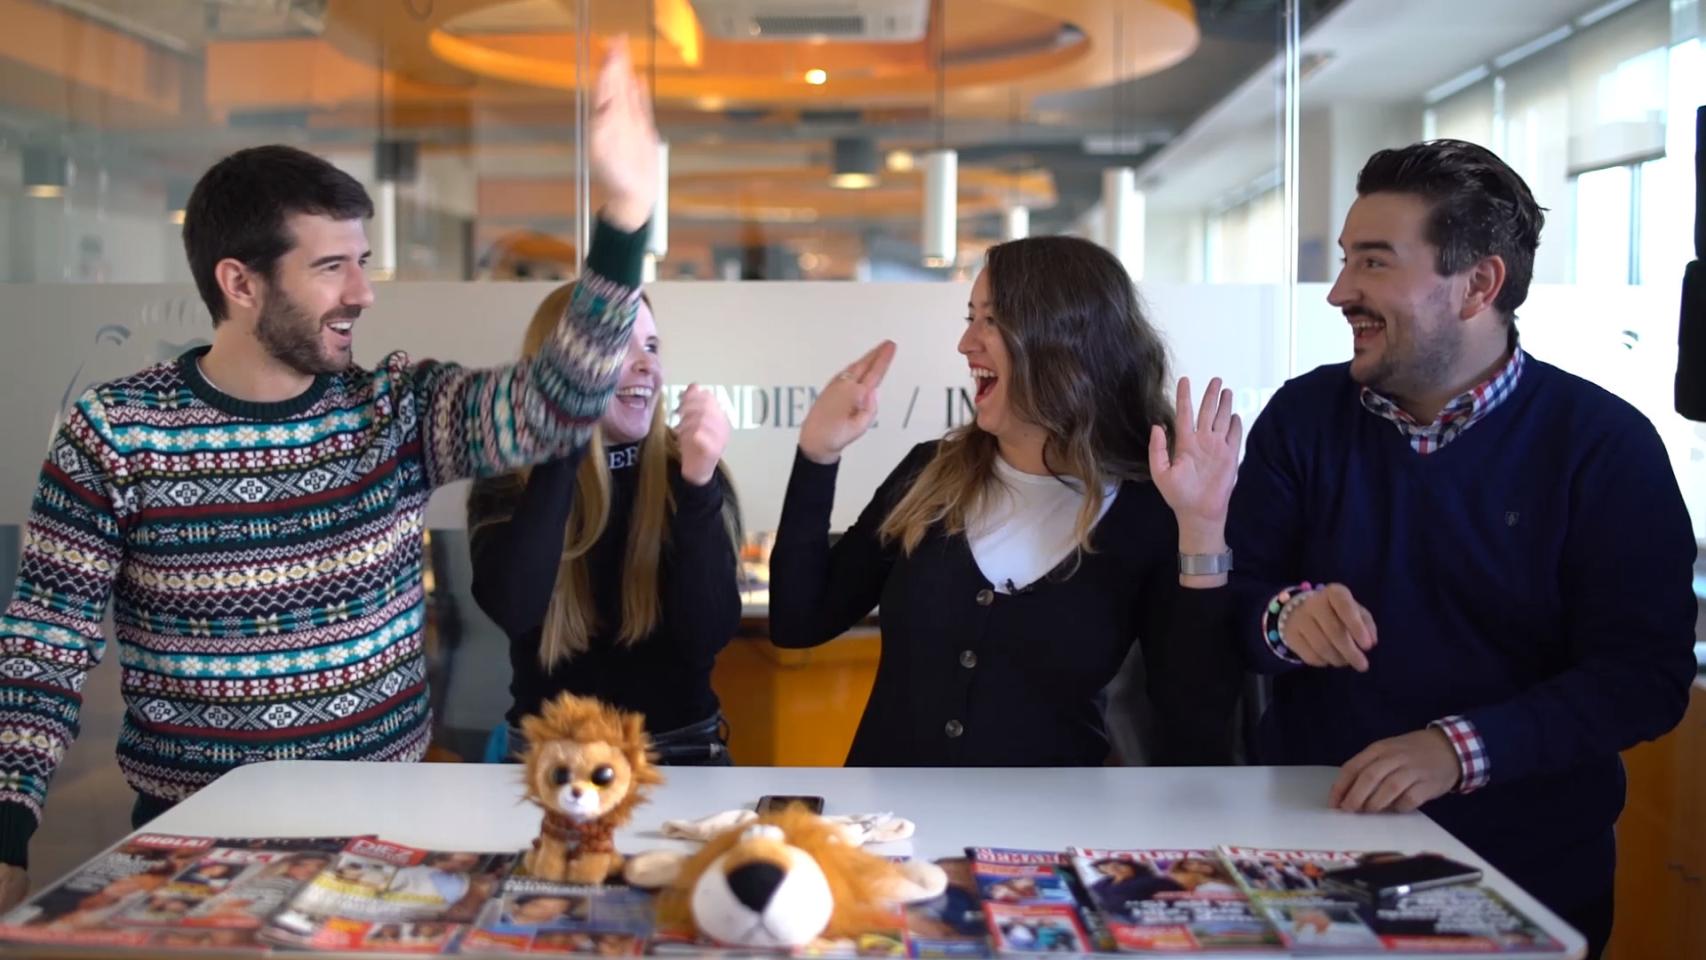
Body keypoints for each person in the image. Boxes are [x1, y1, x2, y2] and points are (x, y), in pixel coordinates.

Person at [0, 40, 661, 910]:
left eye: (363, 260)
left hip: (380, 835)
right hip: (188, 845)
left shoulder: (393, 409)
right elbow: (47, 643)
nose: (363, 292)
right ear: (239, 282)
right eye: (330, 267)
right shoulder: (116, 432)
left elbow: (557, 402)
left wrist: (622, 219)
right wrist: (8, 834)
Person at [1224, 139, 1697, 959]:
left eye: (1373, 263)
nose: (1341, 293)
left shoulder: (1604, 446)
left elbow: (1645, 676)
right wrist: (1282, 618)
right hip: (1307, 862)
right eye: (1345, 261)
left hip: (1523, 879)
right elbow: (1228, 601)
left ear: (1480, 284)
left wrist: (1458, 750)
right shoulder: (1302, 419)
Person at [769, 235, 1245, 766]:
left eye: (989, 321)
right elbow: (798, 622)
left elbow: (1195, 721)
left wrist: (1203, 530)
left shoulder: (1150, 509)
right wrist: (817, 455)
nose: (966, 343)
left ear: (1062, 339)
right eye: (969, 317)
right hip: (898, 832)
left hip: (1048, 837)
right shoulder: (929, 475)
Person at [467, 290, 740, 764]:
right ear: (561, 366)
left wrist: (699, 484)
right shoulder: (509, 479)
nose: (646, 366)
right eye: (619, 346)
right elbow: (515, 609)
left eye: (651, 347)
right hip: (550, 765)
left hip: (681, 756)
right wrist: (564, 434)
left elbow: (706, 634)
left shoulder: (691, 470)